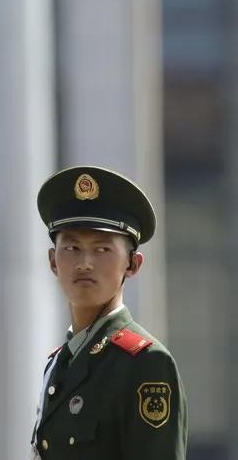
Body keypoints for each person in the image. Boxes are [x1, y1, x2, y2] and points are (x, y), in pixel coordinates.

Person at [31, 165, 187, 459]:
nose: (85, 263)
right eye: (72, 248)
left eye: (102, 250)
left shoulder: (146, 364)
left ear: (132, 264)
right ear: (53, 261)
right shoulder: (58, 365)